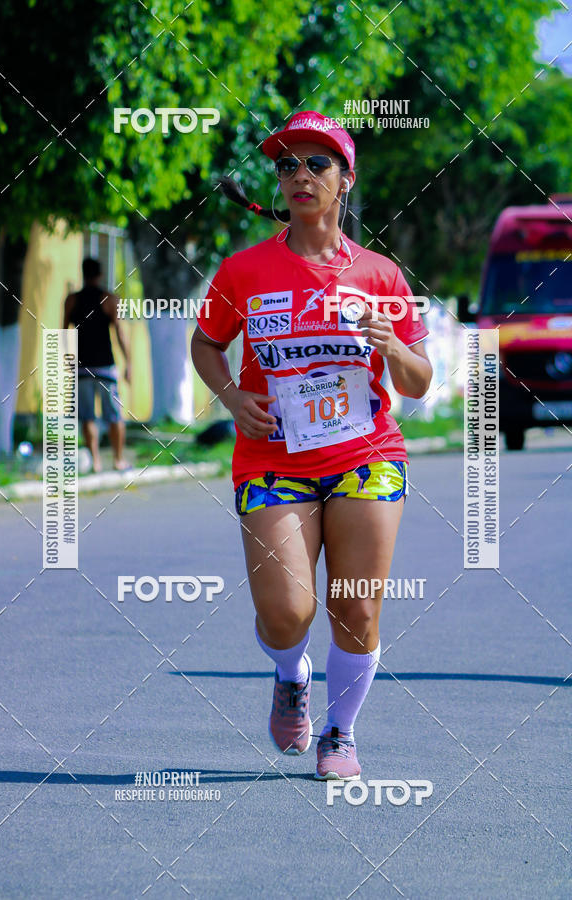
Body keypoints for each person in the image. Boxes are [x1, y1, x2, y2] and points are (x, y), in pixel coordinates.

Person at [191, 110, 432, 780]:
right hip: (272, 460)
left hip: (367, 457)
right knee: (286, 613)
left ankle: (339, 733)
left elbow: (419, 378)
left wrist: (392, 347)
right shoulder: (245, 270)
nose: (300, 175)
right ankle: (290, 674)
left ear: (345, 179)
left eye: (317, 163)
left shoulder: (380, 274)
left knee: (354, 606)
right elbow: (206, 344)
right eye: (287, 164)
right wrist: (232, 398)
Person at [63, 257, 131, 473]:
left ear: (83, 273)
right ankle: (118, 460)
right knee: (114, 415)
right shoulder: (109, 299)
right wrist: (128, 362)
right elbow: (119, 332)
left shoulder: (71, 299)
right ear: (100, 275)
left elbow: (64, 332)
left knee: (87, 417)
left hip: (82, 367)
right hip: (105, 367)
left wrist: (67, 359)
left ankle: (96, 461)